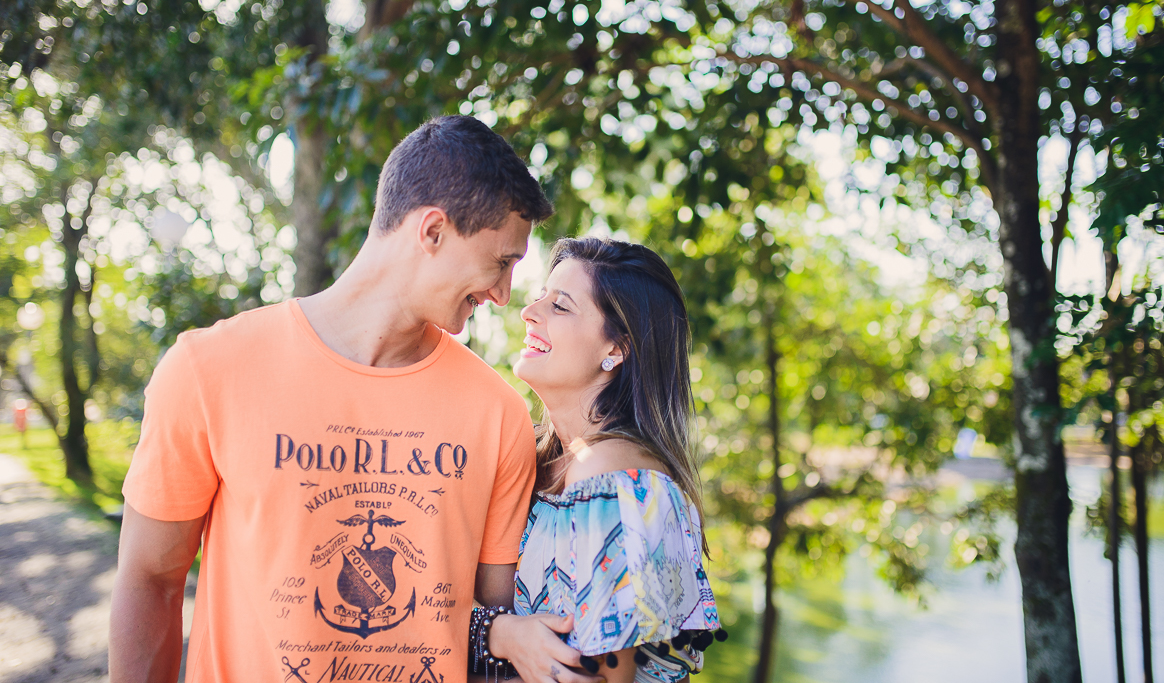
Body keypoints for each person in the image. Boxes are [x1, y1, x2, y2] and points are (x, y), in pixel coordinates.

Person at [110, 115, 559, 683]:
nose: (503, 294)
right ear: (432, 231)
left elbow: (494, 630)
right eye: (502, 262)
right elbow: (151, 577)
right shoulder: (208, 370)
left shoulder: (499, 415)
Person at [473, 238, 723, 683]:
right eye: (542, 296)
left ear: (617, 349)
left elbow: (600, 678)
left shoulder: (611, 477)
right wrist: (494, 634)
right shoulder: (543, 460)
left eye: (561, 306)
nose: (530, 311)